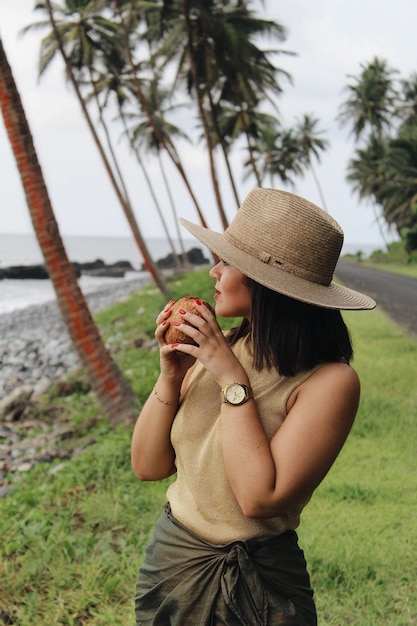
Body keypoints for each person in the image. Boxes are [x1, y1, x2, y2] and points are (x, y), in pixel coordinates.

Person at [131, 188, 376, 625]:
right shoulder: (221, 347)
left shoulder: (330, 382)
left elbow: (259, 499)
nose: (214, 272)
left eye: (226, 263)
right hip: (173, 560)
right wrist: (170, 374)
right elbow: (149, 466)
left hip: (259, 583)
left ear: (263, 282)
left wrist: (232, 380)